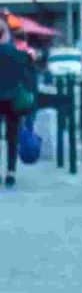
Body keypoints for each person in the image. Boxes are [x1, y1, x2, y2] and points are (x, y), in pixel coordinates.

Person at [0, 19, 41, 188]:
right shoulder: (18, 54)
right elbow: (30, 78)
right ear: (5, 34)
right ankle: (11, 172)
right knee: (12, 137)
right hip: (13, 100)